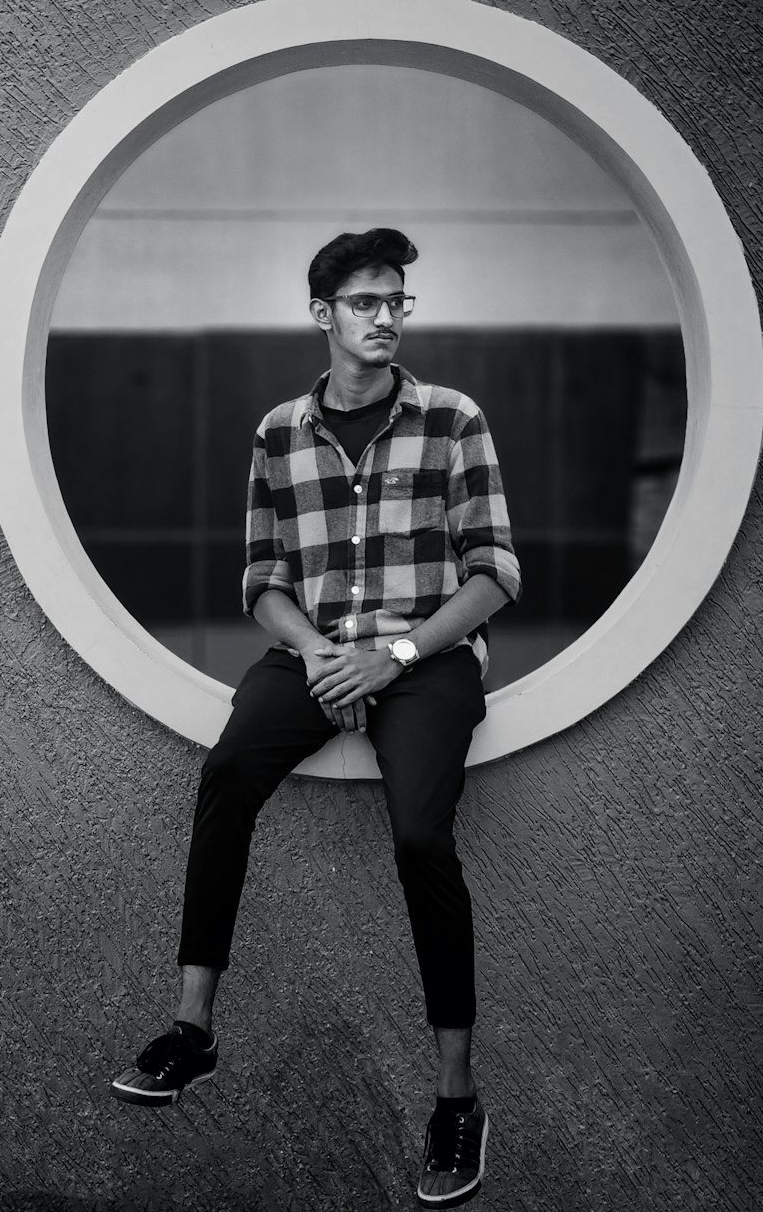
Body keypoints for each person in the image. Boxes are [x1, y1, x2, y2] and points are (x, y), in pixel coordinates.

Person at [110, 228, 521, 1208]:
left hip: (424, 663)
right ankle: (191, 1031)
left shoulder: (454, 418)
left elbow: (494, 571)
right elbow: (261, 581)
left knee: (421, 834)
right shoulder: (277, 432)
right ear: (323, 314)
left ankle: (456, 1098)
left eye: (398, 301)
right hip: (315, 651)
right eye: (367, 301)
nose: (386, 317)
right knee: (226, 775)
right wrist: (321, 652)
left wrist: (396, 653)